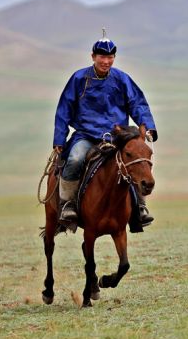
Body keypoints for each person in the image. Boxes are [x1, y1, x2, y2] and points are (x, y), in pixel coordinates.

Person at [52, 31, 158, 232]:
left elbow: (137, 103)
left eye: (110, 57)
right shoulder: (78, 78)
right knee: (74, 159)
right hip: (86, 135)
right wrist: (59, 139)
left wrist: (148, 126)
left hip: (116, 137)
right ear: (93, 57)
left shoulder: (122, 79)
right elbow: (64, 109)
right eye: (102, 57)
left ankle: (140, 208)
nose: (106, 61)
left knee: (135, 160)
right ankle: (67, 205)